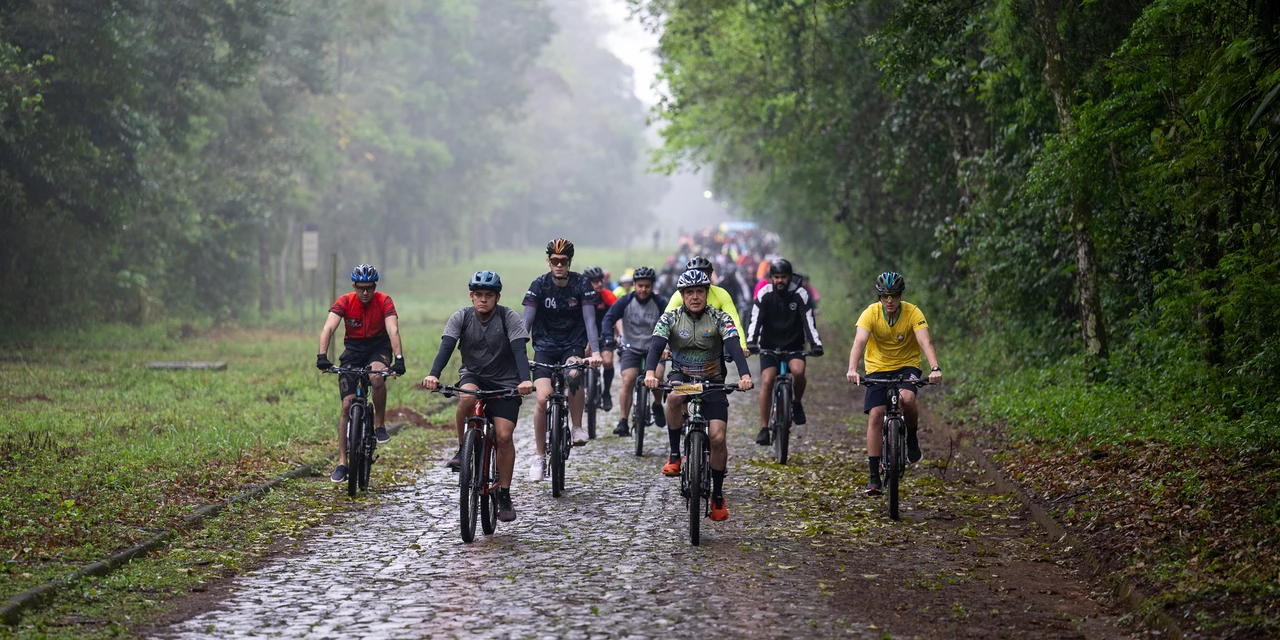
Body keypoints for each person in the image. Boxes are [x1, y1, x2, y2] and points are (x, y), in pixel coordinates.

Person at [422, 271, 533, 522]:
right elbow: (447, 347)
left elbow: (519, 351)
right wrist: (433, 375)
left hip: (506, 381)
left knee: (504, 436)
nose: (483, 300)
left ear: (497, 297)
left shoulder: (509, 318)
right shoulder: (461, 317)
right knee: (467, 398)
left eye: (489, 295)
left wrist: (525, 380)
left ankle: (504, 494)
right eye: (479, 295)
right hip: (474, 375)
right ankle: (463, 450)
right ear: (471, 296)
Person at [645, 269, 753, 521]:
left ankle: (717, 495)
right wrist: (651, 372)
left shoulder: (719, 318)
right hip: (682, 377)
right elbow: (656, 346)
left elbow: (734, 347)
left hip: (712, 381)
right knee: (672, 397)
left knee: (717, 438)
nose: (695, 297)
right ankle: (674, 455)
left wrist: (745, 375)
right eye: (690, 292)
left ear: (707, 294)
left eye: (700, 292)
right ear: (682, 295)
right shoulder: (669, 318)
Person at [845, 272, 943, 495]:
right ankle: (873, 477)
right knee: (876, 415)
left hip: (906, 365)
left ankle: (911, 438)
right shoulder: (870, 313)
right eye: (885, 296)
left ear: (901, 296)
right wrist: (852, 368)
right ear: (879, 296)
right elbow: (859, 341)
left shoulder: (913, 312)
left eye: (894, 296)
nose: (890, 301)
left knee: (907, 399)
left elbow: (924, 340)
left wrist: (935, 367)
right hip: (877, 368)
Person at [522, 238, 604, 482]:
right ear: (548, 261)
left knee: (574, 374)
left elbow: (590, 321)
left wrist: (596, 352)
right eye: (554, 260)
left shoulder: (581, 284)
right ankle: (539, 456)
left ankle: (577, 425)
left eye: (563, 261)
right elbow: (525, 324)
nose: (559, 265)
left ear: (569, 262)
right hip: (545, 346)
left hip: (573, 345)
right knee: (542, 398)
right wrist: (515, 353)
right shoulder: (538, 285)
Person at [316, 264, 406, 484]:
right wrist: (322, 356)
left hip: (379, 348)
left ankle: (380, 425)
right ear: (353, 286)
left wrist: (399, 359)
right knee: (347, 405)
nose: (365, 293)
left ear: (375, 286)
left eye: (369, 288)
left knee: (376, 376)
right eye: (360, 288)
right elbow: (328, 327)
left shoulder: (384, 301)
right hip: (353, 350)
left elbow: (393, 329)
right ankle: (342, 462)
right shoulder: (345, 301)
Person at [745, 258, 823, 445]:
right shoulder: (765, 294)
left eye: (783, 277)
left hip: (794, 345)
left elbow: (808, 321)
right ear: (771, 277)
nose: (780, 280)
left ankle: (796, 403)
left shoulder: (800, 294)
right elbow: (755, 320)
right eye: (776, 277)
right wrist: (751, 342)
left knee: (798, 372)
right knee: (767, 380)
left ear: (790, 277)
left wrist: (816, 344)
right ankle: (764, 428)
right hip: (769, 346)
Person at [600, 266, 669, 436]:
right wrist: (609, 336)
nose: (643, 289)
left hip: (655, 348)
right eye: (640, 286)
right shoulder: (625, 301)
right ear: (634, 285)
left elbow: (672, 324)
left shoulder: (660, 303)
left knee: (658, 376)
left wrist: (668, 346)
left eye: (647, 286)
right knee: (628, 379)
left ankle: (657, 404)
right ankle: (623, 420)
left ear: (652, 286)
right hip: (631, 347)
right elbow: (608, 319)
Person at [662, 255, 748, 349]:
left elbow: (734, 322)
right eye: (695, 274)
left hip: (712, 346)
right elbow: (665, 322)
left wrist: (742, 346)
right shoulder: (678, 295)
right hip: (685, 344)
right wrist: (664, 348)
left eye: (704, 274)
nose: (699, 278)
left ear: (710, 275)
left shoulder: (721, 294)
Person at [583, 266, 617, 413]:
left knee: (608, 361)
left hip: (604, 334)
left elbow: (617, 317)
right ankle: (584, 390)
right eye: (595, 282)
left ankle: (606, 392)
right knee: (580, 360)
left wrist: (617, 336)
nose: (599, 284)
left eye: (600, 281)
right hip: (585, 335)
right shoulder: (581, 296)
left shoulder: (608, 296)